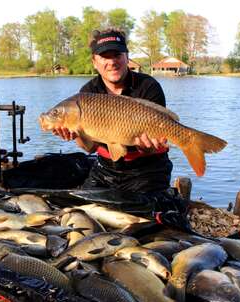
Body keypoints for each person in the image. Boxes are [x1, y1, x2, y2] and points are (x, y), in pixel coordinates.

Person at [53, 28, 173, 194]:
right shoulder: (87, 92)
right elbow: (89, 149)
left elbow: (154, 147)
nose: (112, 62)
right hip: (106, 167)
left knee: (141, 213)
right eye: (104, 57)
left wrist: (146, 148)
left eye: (117, 55)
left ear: (127, 57)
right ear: (94, 61)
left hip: (148, 167)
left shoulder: (148, 86)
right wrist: (76, 134)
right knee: (90, 210)